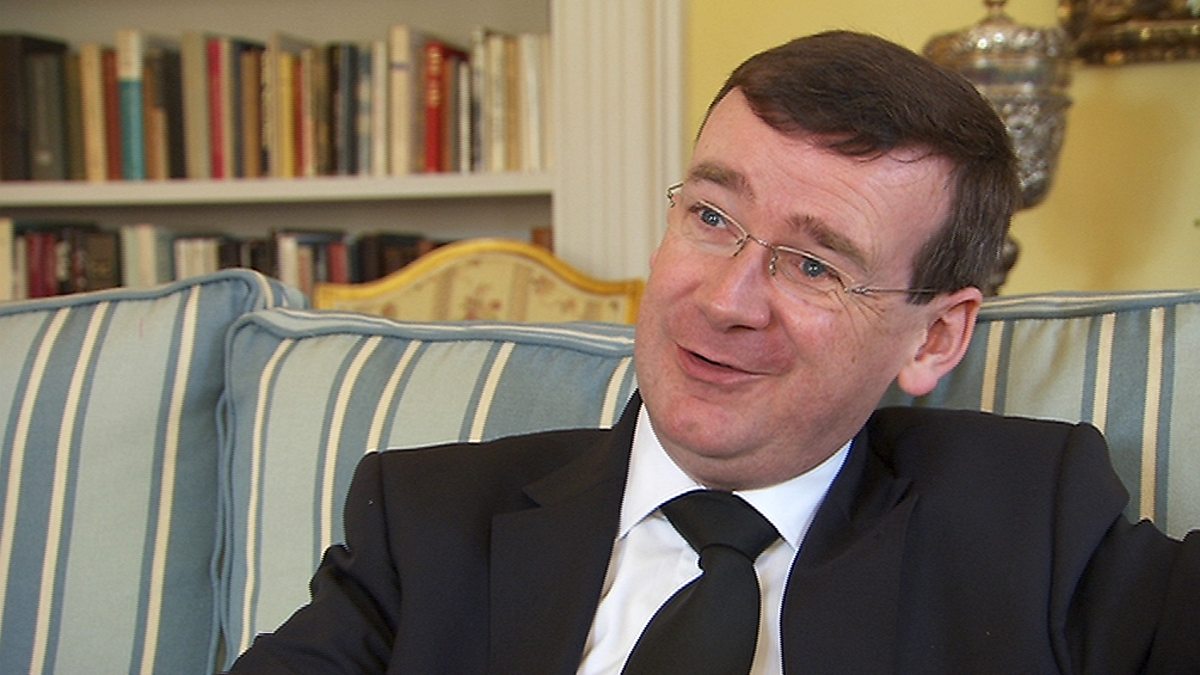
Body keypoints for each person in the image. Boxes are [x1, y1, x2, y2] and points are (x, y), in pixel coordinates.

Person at [228, 31, 1198, 674]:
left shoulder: (1032, 523)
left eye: (814, 265)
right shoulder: (427, 523)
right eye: (710, 216)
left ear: (935, 336)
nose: (726, 300)